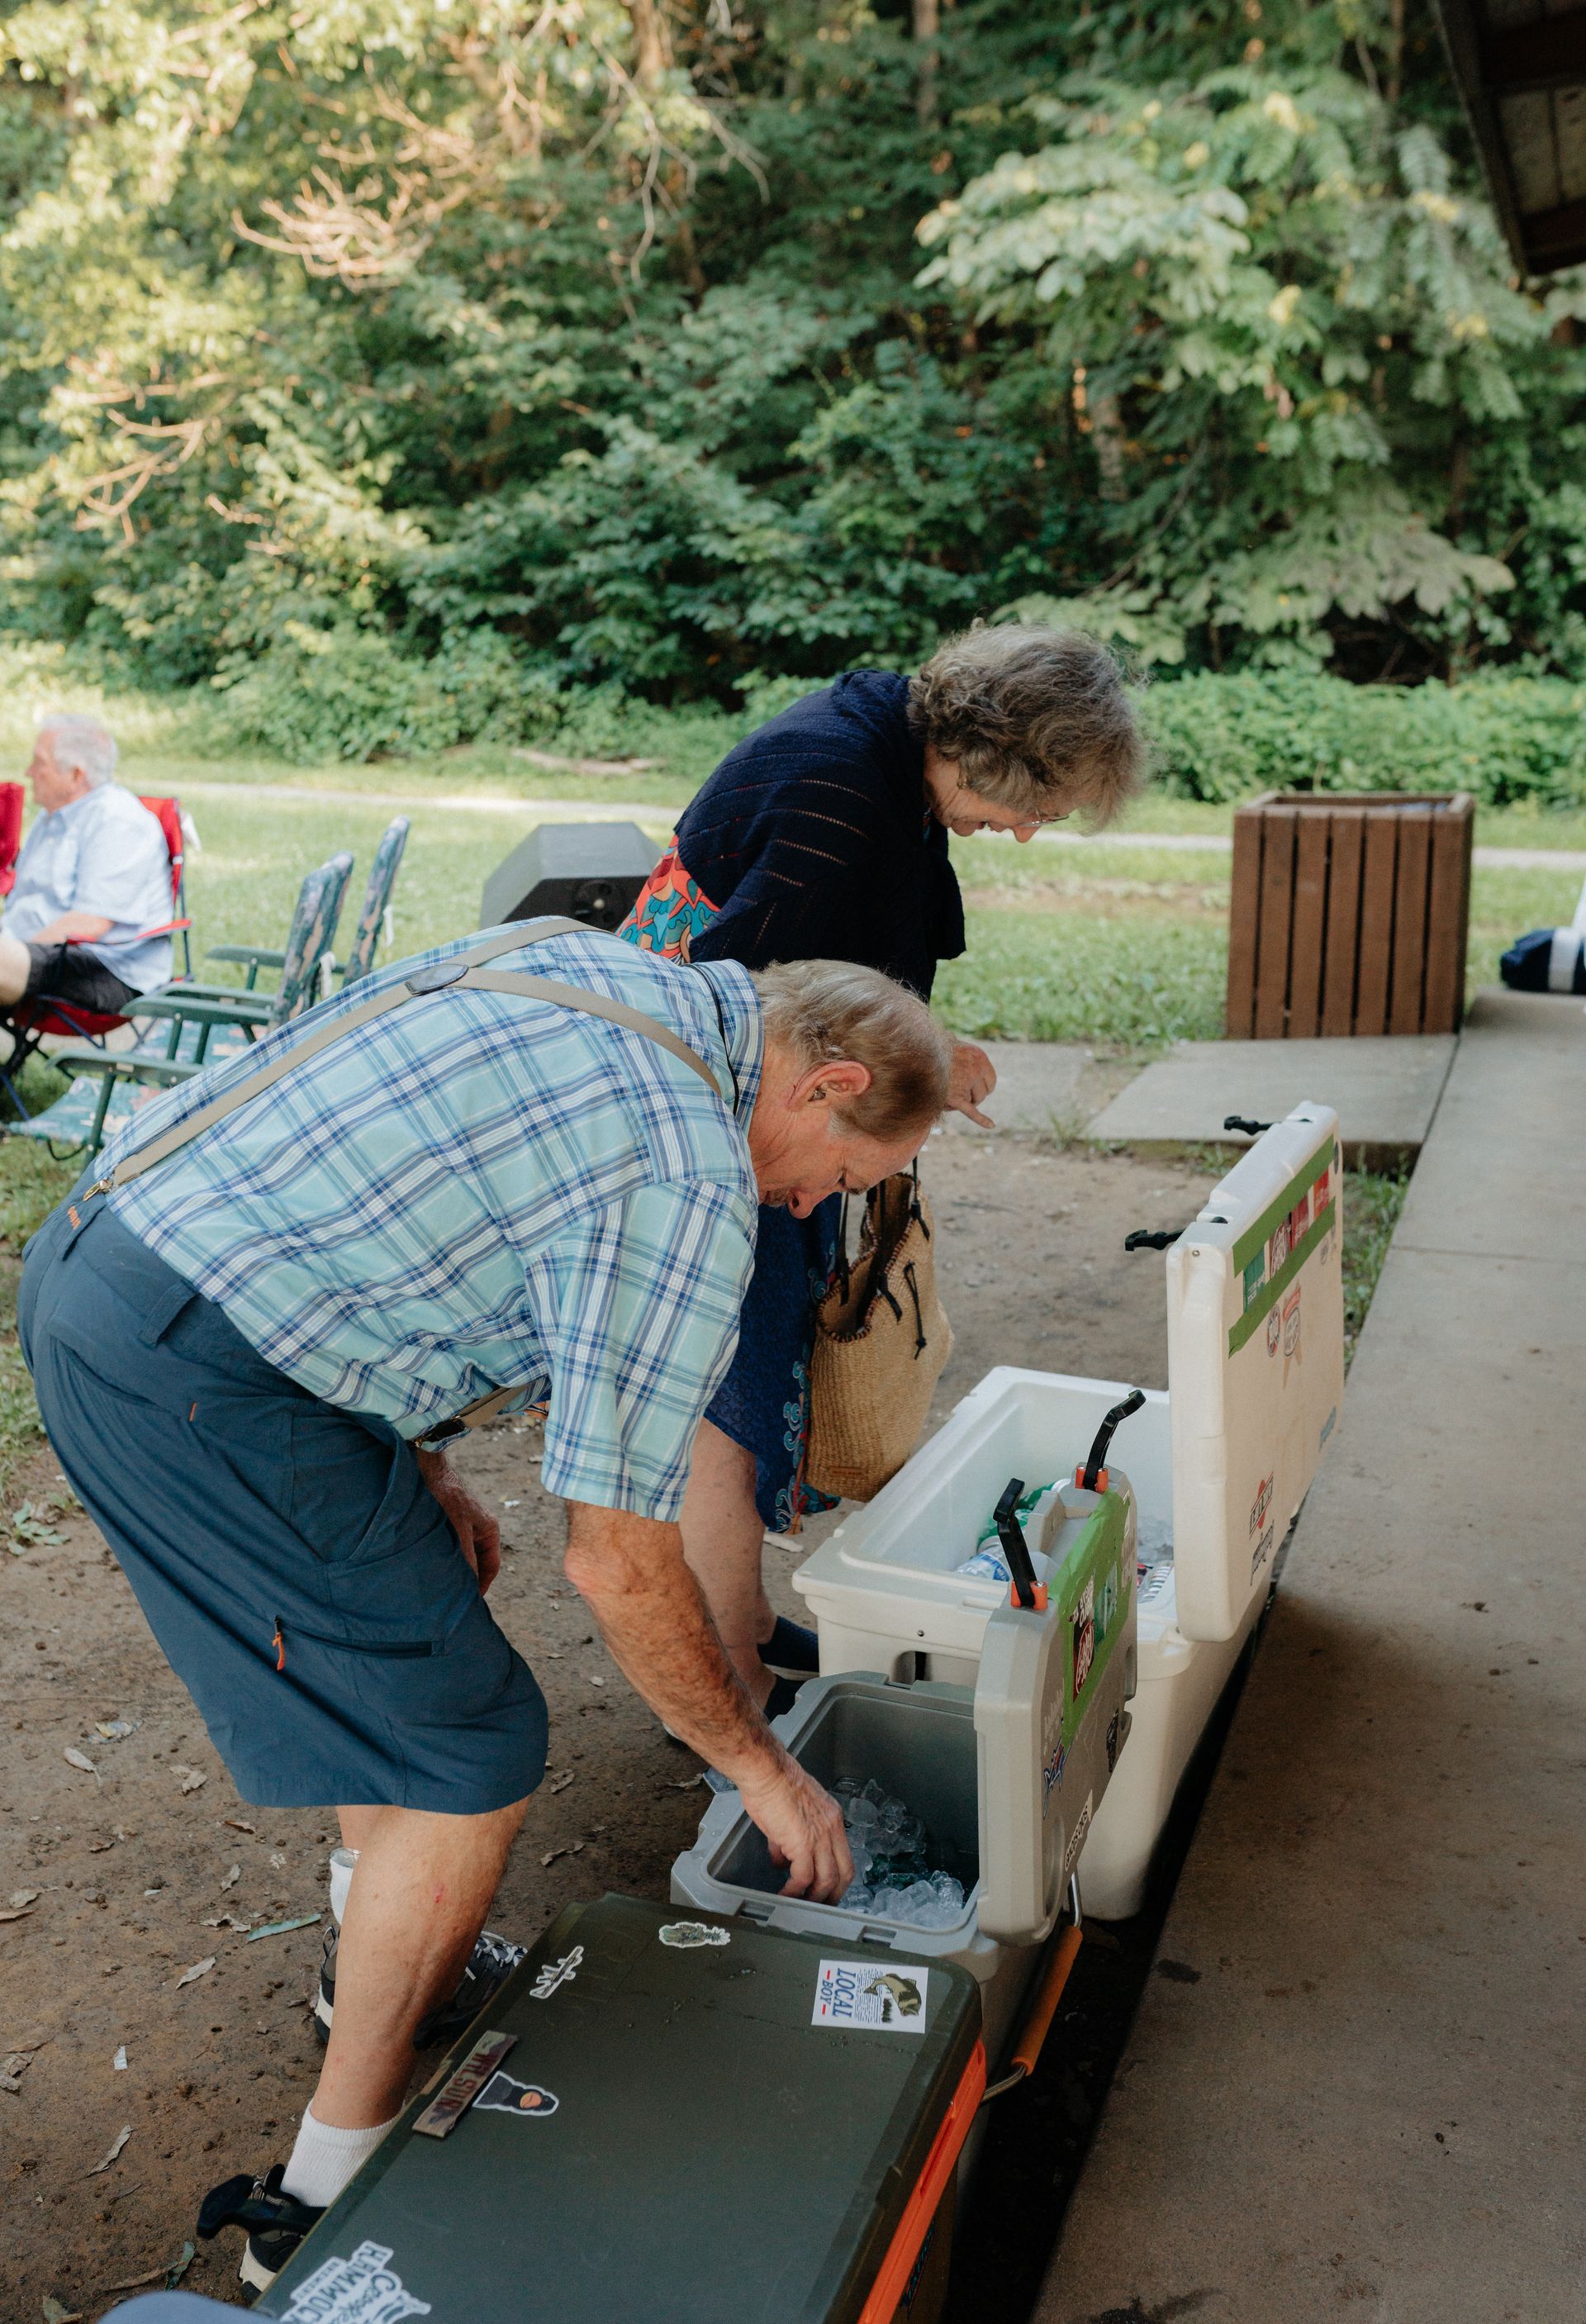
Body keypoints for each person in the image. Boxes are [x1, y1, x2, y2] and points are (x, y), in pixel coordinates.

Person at [17, 918, 952, 2291]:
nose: (816, 1206)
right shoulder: (687, 1175)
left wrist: (424, 1454)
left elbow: (390, 1192)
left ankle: (376, 1955)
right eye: (847, 1177)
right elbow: (618, 1558)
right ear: (825, 1087)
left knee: (419, 1630)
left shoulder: (596, 962)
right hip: (196, 1367)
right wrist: (758, 1763)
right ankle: (318, 2195)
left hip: (122, 1246)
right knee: (474, 1751)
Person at [620, 622, 1147, 1707]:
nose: (1030, 835)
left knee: (762, 1371)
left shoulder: (885, 739)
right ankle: (719, 1676)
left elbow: (828, 978)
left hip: (760, 1088)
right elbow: (751, 1004)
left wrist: (920, 1056)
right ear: (1000, 754)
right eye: (1036, 807)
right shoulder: (844, 790)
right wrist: (910, 1062)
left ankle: (749, 1622)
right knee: (732, 1397)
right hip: (713, 1110)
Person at [0, 712, 173, 1015]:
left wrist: (16, 952)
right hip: (39, 951)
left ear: (76, 775)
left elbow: (90, 924)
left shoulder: (116, 821)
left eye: (40, 763)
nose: (29, 772)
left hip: (103, 966)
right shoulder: (54, 815)